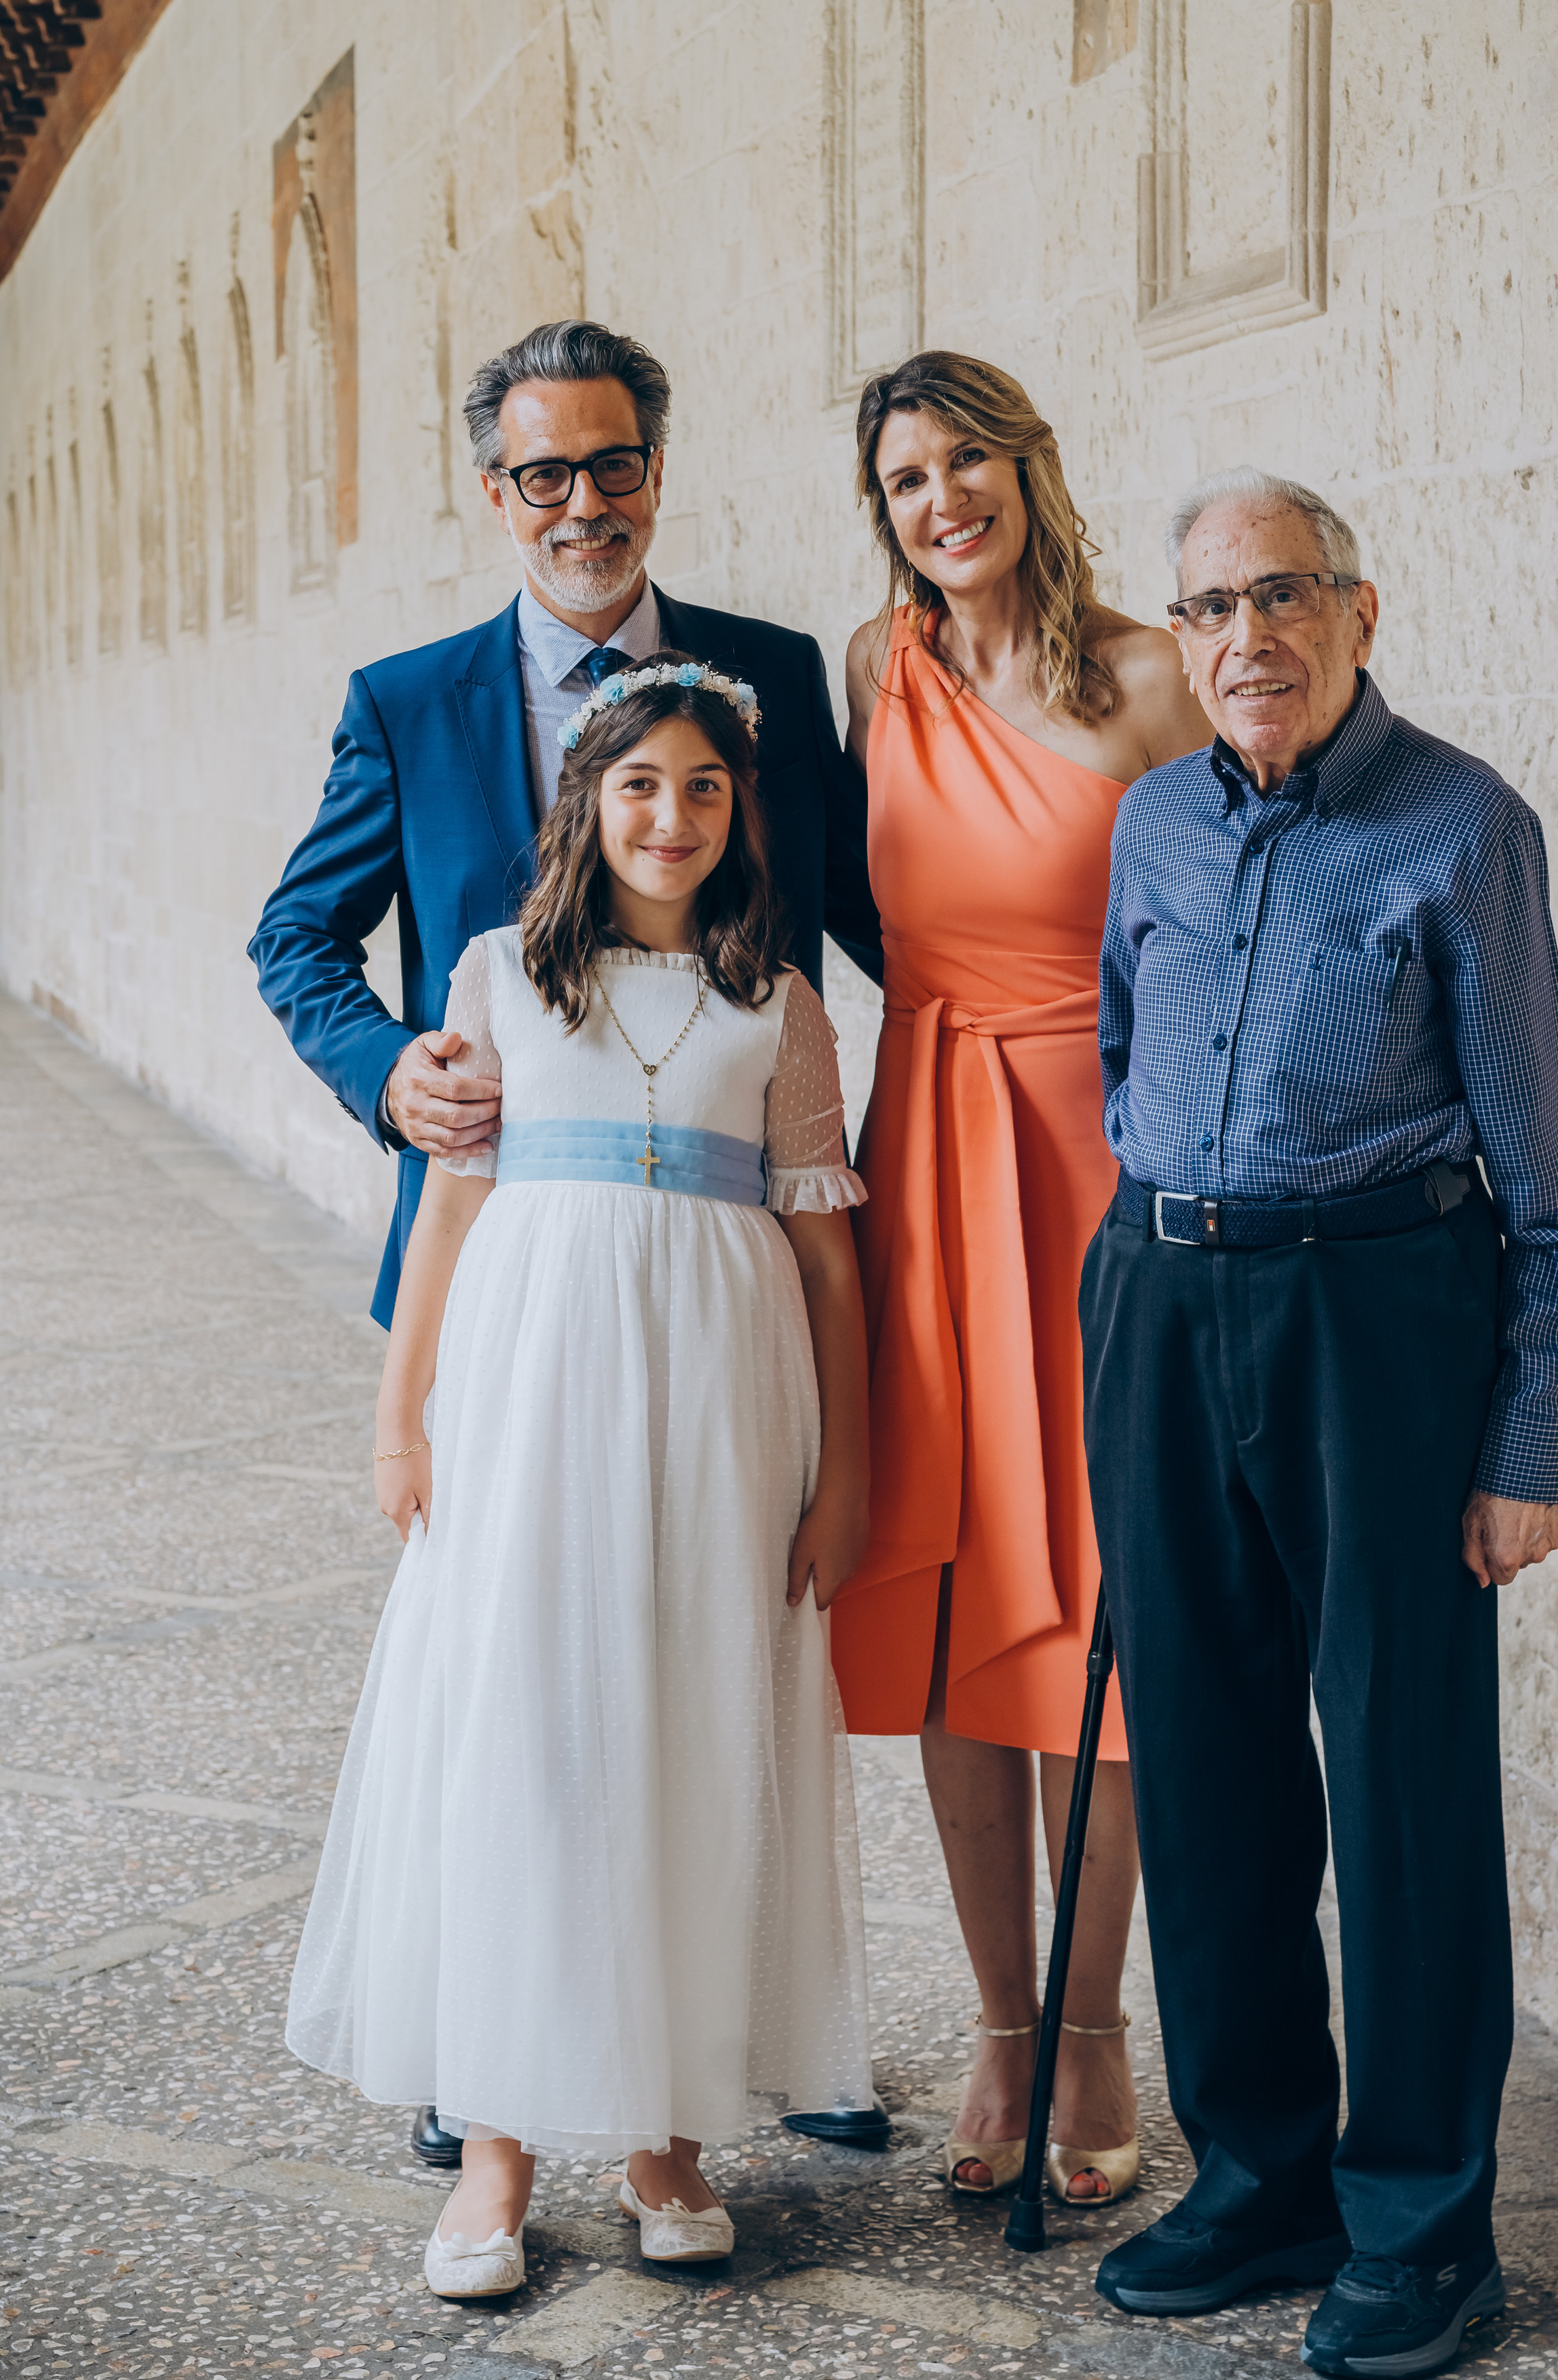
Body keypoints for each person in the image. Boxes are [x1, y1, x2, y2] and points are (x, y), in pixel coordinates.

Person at [251, 317, 885, 2168]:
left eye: (615, 464)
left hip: (720, 1287)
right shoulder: (409, 700)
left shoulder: (770, 681)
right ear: (496, 492)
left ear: (656, 472)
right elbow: (296, 938)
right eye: (546, 473)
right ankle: (492, 2049)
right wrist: (394, 1072)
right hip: (510, 1275)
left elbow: (875, 917)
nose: (583, 502)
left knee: (698, 1663)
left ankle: (709, 2044)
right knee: (513, 1684)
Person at [1080, 466, 1558, 2380]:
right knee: (1206, 1762)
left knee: (1401, 1778)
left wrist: (1534, 1435)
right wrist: (1147, 1267)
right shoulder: (1153, 820)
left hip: (1381, 1316)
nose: (1250, 636)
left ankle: (1419, 2222)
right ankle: (1263, 2180)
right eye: (1213, 606)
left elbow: (1551, 1165)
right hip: (1167, 1302)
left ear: (1359, 613)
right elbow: (1123, 1054)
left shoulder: (1465, 825)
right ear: (1179, 635)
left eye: (1286, 595)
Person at [828, 351, 1212, 2208]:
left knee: (1101, 1604)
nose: (942, 501)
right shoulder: (872, 667)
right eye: (907, 480)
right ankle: (1000, 2015)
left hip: (1098, 1164)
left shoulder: (1151, 677)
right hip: (926, 1152)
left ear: (1030, 467)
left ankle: (1094, 2020)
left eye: (966, 460)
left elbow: (1219, 935)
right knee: (952, 1591)